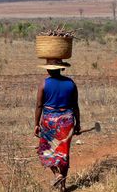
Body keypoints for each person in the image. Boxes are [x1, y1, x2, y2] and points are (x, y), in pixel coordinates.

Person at [34, 59, 81, 191]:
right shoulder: (71, 83)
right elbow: (75, 106)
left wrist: (36, 124)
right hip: (67, 122)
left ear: (48, 69)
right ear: (61, 68)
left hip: (49, 122)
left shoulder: (44, 83)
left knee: (45, 151)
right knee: (64, 153)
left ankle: (57, 173)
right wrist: (78, 124)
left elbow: (39, 105)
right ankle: (63, 186)